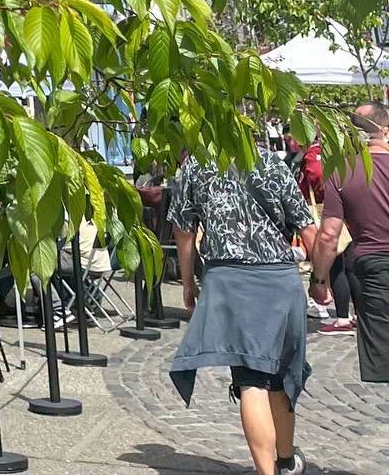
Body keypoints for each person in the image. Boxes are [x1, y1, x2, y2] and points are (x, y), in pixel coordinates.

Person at [167, 152, 319, 475]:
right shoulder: (273, 162)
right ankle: (287, 460)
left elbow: (183, 231)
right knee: (281, 375)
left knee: (252, 381)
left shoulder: (194, 166)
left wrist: (187, 283)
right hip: (280, 280)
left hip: (232, 282)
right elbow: (307, 230)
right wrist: (321, 281)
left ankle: (269, 471)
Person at [310, 100, 389, 381]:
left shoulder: (343, 171)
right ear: (386, 130)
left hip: (372, 269)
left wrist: (318, 280)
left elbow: (329, 235)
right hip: (373, 266)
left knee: (383, 354)